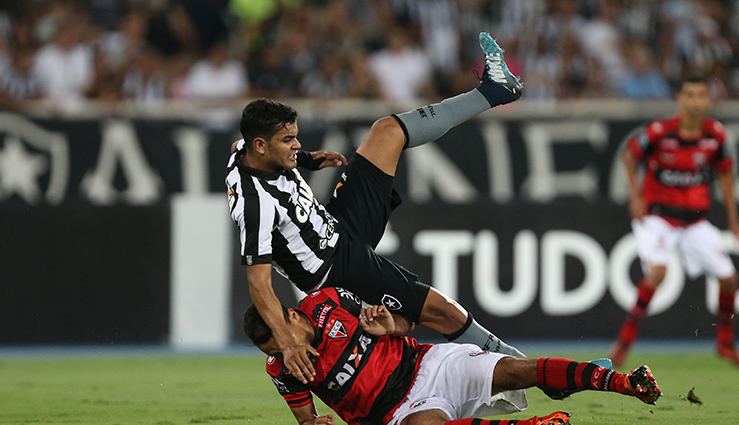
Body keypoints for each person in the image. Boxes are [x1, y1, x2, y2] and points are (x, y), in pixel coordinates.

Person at [227, 33, 534, 387]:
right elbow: (259, 285)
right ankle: (538, 373)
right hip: (338, 270)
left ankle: (496, 91)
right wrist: (286, 343)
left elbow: (257, 148)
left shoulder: (242, 150)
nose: (296, 144)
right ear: (261, 146)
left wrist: (309, 159)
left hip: (339, 223)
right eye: (288, 141)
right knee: (446, 313)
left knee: (386, 130)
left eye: (296, 137)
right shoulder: (255, 206)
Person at [243, 286, 662, 425]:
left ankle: (622, 381)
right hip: (393, 413)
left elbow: (405, 322)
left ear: (293, 318)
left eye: (282, 343)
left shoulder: (331, 300)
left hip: (429, 364)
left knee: (518, 369)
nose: (283, 355)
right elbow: (306, 423)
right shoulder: (282, 370)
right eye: (273, 354)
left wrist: (391, 326)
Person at [610, 75, 739, 369]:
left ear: (708, 99)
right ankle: (622, 346)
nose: (696, 101)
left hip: (694, 222)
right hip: (657, 217)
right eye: (690, 94)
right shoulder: (660, 131)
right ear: (680, 99)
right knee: (657, 273)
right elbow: (630, 153)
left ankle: (725, 344)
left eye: (702, 95)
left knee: (729, 280)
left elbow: (726, 175)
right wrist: (635, 195)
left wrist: (734, 221)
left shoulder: (716, 135)